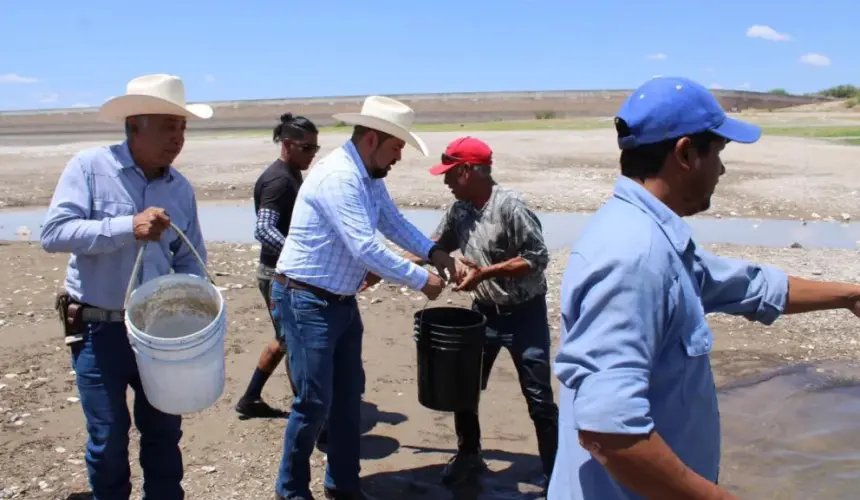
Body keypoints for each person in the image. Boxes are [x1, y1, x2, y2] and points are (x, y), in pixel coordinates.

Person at [548, 76, 860, 500]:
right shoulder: (634, 257)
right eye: (720, 153)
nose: (723, 169)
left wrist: (849, 295)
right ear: (687, 153)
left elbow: (747, 286)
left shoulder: (653, 238)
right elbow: (609, 428)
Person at [272, 95, 463, 500]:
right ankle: (290, 491)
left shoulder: (369, 179)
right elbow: (364, 247)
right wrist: (420, 278)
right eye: (396, 148)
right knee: (313, 403)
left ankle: (342, 485)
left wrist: (435, 253)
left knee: (346, 400)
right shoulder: (339, 177)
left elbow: (393, 223)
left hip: (339, 302)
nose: (398, 157)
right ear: (373, 139)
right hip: (306, 300)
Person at [40, 74, 211, 500]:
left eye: (182, 128)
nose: (178, 138)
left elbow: (191, 259)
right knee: (109, 437)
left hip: (160, 335)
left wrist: (196, 310)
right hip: (100, 329)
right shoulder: (90, 168)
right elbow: (54, 234)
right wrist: (125, 227)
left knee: (164, 433)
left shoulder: (180, 187)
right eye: (168, 127)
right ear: (135, 125)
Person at [404, 136, 559, 493]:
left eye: (449, 174)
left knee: (539, 400)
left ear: (468, 171)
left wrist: (485, 272)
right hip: (483, 316)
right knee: (464, 389)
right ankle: (468, 454)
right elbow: (435, 248)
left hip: (525, 317)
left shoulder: (511, 206)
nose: (444, 181)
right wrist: (386, 267)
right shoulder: (458, 210)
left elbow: (537, 259)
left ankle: (554, 471)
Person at [235, 112, 320, 418]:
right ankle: (307, 411)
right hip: (277, 275)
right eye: (306, 147)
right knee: (295, 341)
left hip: (281, 272)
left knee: (285, 339)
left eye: (315, 148)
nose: (312, 154)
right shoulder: (279, 181)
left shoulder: (291, 173)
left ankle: (251, 398)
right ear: (287, 144)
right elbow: (263, 229)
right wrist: (296, 254)